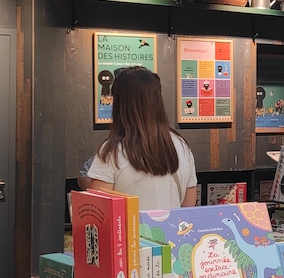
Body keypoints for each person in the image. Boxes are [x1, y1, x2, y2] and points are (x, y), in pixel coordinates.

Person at [79, 66, 198, 209]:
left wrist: (88, 182)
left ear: (120, 104)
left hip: (130, 231)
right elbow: (188, 204)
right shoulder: (181, 145)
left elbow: (99, 210)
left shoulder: (113, 151)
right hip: (172, 231)